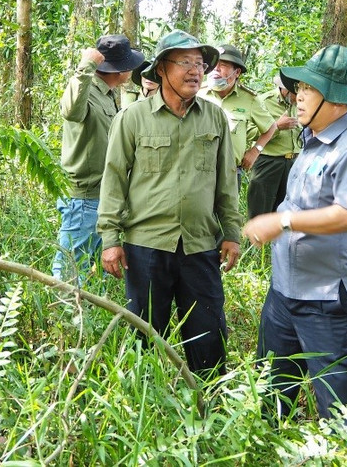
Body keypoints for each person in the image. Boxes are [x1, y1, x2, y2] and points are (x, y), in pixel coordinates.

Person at [242, 45, 347, 453]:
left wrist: (281, 221)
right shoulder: (311, 139)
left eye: (308, 90)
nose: (297, 96)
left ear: (334, 100)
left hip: (325, 301)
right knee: (270, 388)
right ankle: (264, 453)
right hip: (284, 292)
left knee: (340, 407)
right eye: (298, 88)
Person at [97, 30, 243, 376]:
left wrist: (232, 232)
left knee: (208, 337)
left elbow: (226, 181)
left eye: (200, 63)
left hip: (199, 246)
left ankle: (210, 406)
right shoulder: (132, 118)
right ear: (161, 69)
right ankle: (142, 407)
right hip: (147, 247)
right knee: (144, 336)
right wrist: (110, 240)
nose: (196, 71)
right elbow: (114, 179)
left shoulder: (214, 118)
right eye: (186, 63)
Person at [53, 34, 145, 281]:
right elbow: (71, 111)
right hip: (83, 198)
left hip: (100, 195)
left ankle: (84, 314)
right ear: (120, 69)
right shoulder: (88, 89)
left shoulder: (107, 93)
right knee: (71, 271)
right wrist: (85, 66)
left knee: (90, 267)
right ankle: (64, 314)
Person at [198, 44, 277, 189]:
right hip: (197, 172)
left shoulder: (249, 99)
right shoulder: (197, 93)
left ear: (237, 72)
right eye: (214, 64)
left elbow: (271, 126)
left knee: (228, 212)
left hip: (231, 174)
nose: (216, 68)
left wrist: (255, 151)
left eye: (223, 65)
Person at [246, 75, 301, 219]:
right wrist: (277, 127)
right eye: (296, 93)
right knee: (259, 212)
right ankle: (254, 241)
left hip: (292, 163)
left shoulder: (300, 104)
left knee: (285, 213)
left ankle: (277, 242)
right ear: (285, 90)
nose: (299, 97)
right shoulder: (263, 102)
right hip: (268, 162)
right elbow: (249, 132)